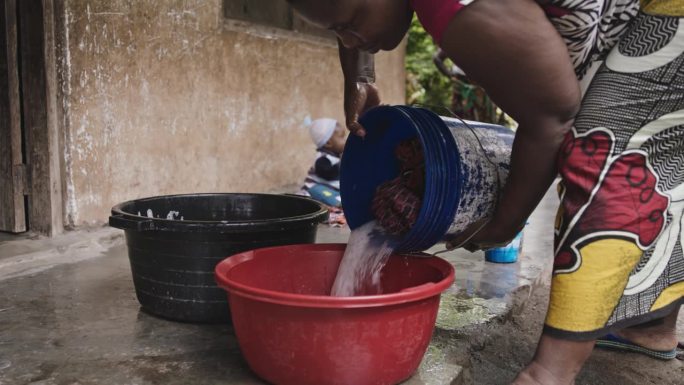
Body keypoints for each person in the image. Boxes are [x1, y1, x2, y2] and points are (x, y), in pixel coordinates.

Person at [285, 0, 684, 383]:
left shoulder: (459, 9)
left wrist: (503, 225)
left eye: (350, 23)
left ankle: (548, 374)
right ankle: (650, 329)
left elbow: (552, 120)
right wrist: (361, 75)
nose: (350, 41)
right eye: (336, 31)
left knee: (604, 153)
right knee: (664, 162)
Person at [299, 118, 346, 209]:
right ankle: (338, 204)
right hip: (316, 188)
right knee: (326, 194)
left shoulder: (337, 156)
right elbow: (326, 172)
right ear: (328, 143)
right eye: (342, 137)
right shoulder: (323, 158)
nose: (345, 140)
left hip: (331, 190)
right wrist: (343, 166)